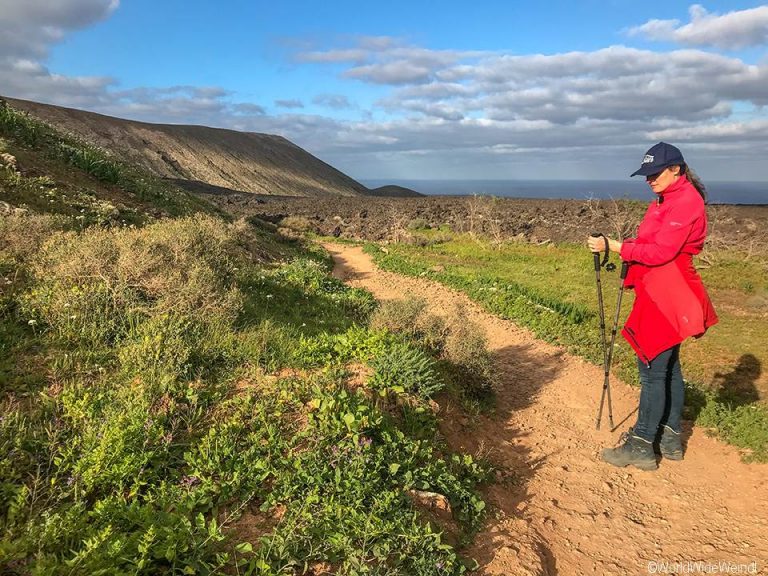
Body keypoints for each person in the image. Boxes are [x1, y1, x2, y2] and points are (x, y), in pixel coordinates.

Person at [587, 142, 718, 471]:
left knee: (652, 370)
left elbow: (661, 252)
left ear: (676, 169)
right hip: (661, 289)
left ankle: (643, 444)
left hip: (669, 293)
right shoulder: (666, 199)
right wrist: (628, 249)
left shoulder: (686, 201)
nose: (649, 179)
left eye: (654, 173)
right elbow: (649, 243)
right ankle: (670, 439)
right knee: (668, 366)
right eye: (645, 174)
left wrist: (615, 247)